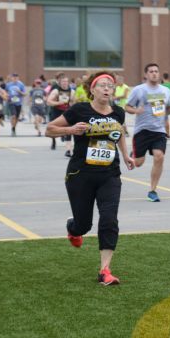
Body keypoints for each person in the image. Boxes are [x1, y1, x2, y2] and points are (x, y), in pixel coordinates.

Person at [46, 71, 135, 286]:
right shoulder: (80, 110)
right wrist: (71, 129)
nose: (107, 89)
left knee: (109, 219)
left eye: (110, 86)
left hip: (109, 175)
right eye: (102, 85)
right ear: (92, 89)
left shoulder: (118, 113)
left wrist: (125, 154)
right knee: (83, 225)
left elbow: (120, 133)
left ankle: (105, 270)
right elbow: (50, 130)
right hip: (80, 174)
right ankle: (73, 228)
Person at [125, 63, 170, 202]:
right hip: (142, 131)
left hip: (159, 131)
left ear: (159, 74)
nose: (154, 73)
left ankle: (152, 190)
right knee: (139, 163)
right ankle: (134, 154)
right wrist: (136, 111)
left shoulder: (165, 91)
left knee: (159, 156)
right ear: (146, 74)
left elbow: (168, 110)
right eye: (151, 71)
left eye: (156, 71)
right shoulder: (139, 90)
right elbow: (127, 106)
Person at [47, 75, 73, 154]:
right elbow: (48, 102)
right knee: (53, 129)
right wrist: (59, 102)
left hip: (66, 112)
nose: (65, 83)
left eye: (66, 81)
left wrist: (71, 105)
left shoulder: (71, 91)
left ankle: (68, 150)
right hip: (56, 111)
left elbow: (73, 102)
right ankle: (54, 141)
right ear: (60, 83)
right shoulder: (56, 91)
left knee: (69, 130)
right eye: (63, 82)